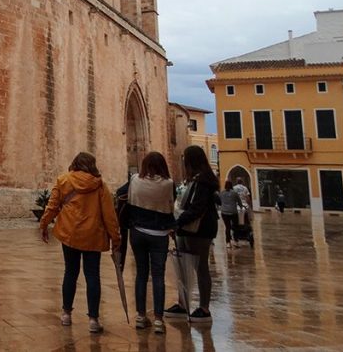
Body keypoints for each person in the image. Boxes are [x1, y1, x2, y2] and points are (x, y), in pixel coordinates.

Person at [40, 151, 121, 334]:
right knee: (92, 276)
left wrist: (44, 224)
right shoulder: (100, 186)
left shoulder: (64, 180)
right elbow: (109, 215)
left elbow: (52, 206)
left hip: (69, 234)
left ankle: (66, 314)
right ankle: (93, 319)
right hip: (93, 235)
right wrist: (115, 238)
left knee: (70, 272)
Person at [116, 151, 175, 335]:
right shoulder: (169, 184)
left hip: (138, 232)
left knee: (141, 274)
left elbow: (119, 194)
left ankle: (141, 316)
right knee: (158, 275)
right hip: (160, 234)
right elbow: (171, 205)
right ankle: (158, 319)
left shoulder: (134, 180)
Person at [165, 144, 219, 325]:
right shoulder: (197, 180)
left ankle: (204, 309)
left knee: (201, 267)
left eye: (185, 159)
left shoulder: (203, 181)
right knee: (184, 265)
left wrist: (177, 222)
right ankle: (182, 304)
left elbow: (197, 208)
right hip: (189, 229)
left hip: (200, 230)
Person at [218, 181, 243, 247]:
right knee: (235, 227)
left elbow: (219, 201)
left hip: (224, 212)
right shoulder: (234, 193)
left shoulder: (222, 193)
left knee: (227, 227)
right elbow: (239, 201)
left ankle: (228, 242)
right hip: (233, 212)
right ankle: (236, 241)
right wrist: (241, 207)